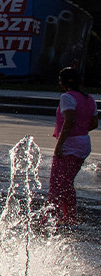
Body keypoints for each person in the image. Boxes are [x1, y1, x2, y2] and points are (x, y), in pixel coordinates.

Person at [51, 67, 96, 227]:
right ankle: (69, 216)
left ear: (62, 83)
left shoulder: (67, 97)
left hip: (70, 145)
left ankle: (49, 220)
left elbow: (69, 121)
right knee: (67, 182)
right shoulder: (89, 98)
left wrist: (61, 144)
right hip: (84, 143)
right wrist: (81, 131)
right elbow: (95, 122)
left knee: (56, 184)